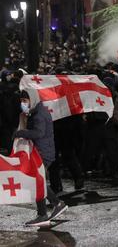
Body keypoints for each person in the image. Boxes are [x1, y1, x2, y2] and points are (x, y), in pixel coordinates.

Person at [14, 90, 68, 226]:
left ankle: (47, 211)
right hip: (41, 152)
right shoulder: (35, 112)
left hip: (43, 153)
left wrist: (21, 133)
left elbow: (38, 133)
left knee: (37, 182)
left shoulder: (39, 115)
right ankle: (50, 208)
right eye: (21, 101)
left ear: (32, 100)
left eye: (25, 101)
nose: (23, 104)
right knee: (38, 181)